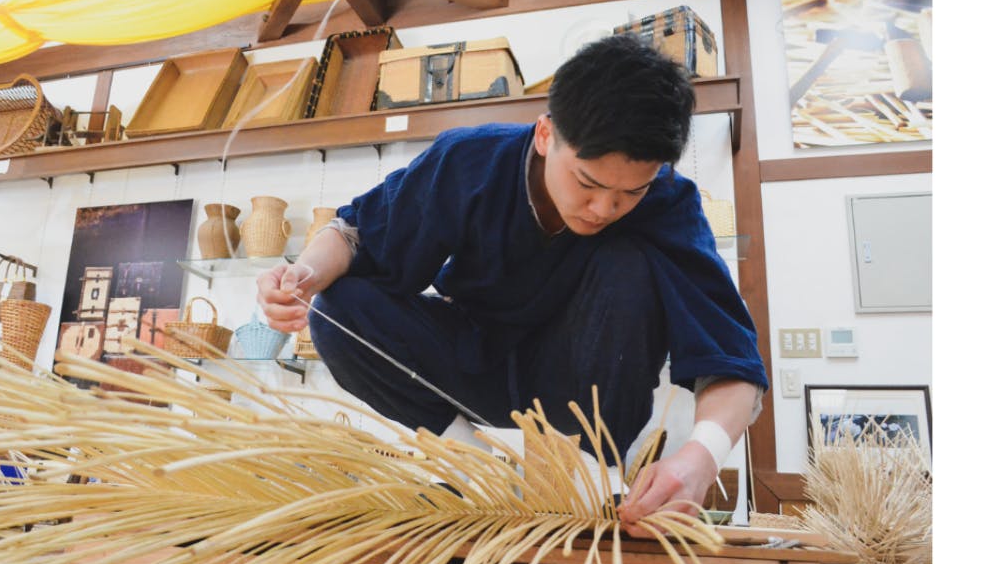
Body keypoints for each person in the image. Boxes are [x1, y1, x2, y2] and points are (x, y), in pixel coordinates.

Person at [257, 34, 768, 537]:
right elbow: (355, 232)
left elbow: (735, 359)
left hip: (584, 386)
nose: (603, 210)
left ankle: (596, 472)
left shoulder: (668, 203)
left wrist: (702, 456)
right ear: (546, 135)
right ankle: (470, 463)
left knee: (630, 258)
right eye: (588, 184)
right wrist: (303, 273)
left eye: (630, 192)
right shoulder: (470, 159)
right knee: (335, 304)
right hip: (474, 362)